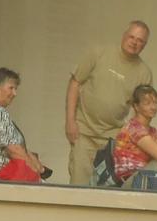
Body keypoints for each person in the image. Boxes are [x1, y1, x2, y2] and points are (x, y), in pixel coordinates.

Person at [65, 21, 152, 185]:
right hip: (83, 132)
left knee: (107, 188)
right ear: (124, 36)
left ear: (145, 45)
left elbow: (141, 113)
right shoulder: (98, 53)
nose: (134, 42)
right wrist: (70, 121)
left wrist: (131, 142)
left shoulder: (144, 72)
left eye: (140, 40)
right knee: (79, 187)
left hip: (113, 138)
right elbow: (75, 82)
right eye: (131, 37)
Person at [0, 68, 51, 182]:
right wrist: (36, 175)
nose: (15, 93)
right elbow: (15, 150)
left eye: (16, 89)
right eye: (11, 88)